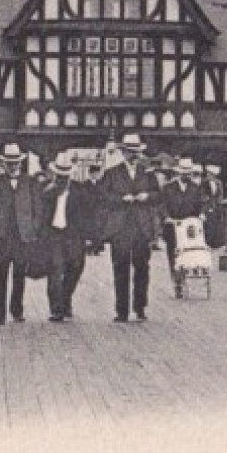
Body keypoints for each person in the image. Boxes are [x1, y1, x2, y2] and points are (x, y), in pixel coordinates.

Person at [97, 133, 160, 322]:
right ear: (122, 153)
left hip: (141, 226)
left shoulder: (147, 173)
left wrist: (146, 196)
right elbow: (101, 196)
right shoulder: (112, 172)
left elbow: (158, 195)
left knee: (142, 268)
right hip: (120, 227)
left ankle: (140, 307)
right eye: (129, 152)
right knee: (120, 268)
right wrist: (120, 199)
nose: (133, 156)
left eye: (136, 152)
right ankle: (121, 310)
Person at [0, 142, 43, 325]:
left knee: (19, 276)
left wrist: (33, 228)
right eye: (9, 162)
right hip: (1, 238)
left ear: (20, 162)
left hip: (23, 238)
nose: (13, 165)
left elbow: (38, 208)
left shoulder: (29, 182)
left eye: (15, 162)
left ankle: (17, 311)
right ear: (4, 164)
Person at [41, 150, 98, 322]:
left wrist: (90, 237)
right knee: (55, 270)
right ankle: (56, 309)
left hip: (74, 235)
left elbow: (89, 214)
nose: (62, 179)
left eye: (65, 176)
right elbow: (41, 214)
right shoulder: (48, 192)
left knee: (75, 268)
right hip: (54, 235)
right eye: (59, 175)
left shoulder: (80, 191)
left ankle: (66, 300)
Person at [160, 156, 207, 297]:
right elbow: (162, 205)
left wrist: (202, 214)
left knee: (188, 252)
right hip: (173, 225)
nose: (186, 175)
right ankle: (177, 281)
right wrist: (166, 217)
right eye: (183, 173)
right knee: (173, 254)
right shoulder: (168, 188)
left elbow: (202, 203)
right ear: (178, 173)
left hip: (189, 227)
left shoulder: (196, 188)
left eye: (188, 173)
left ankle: (184, 277)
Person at [202, 164, 225, 249]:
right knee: (208, 223)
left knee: (216, 223)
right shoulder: (204, 182)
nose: (208, 175)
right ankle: (208, 241)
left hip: (216, 204)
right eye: (208, 174)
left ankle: (216, 242)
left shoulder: (219, 183)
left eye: (210, 174)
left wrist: (219, 203)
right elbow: (202, 193)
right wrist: (206, 199)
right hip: (207, 204)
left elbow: (220, 194)